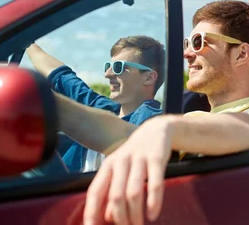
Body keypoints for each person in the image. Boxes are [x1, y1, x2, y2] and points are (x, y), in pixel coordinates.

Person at [53, 0, 249, 225]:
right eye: (187, 43)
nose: (187, 53)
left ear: (242, 54)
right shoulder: (192, 118)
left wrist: (168, 128)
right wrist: (48, 105)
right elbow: (121, 134)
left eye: (200, 42)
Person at [26, 35, 165, 172]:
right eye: (108, 66)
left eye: (118, 67)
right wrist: (26, 42)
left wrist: (32, 94)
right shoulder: (100, 107)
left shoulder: (154, 121)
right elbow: (61, 75)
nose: (108, 74)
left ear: (148, 77)